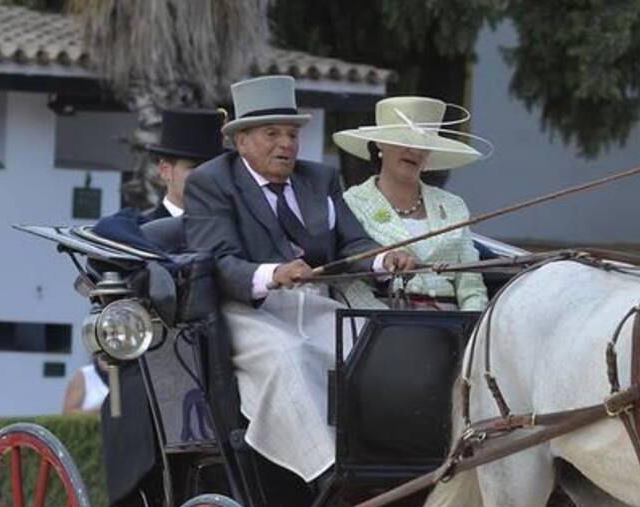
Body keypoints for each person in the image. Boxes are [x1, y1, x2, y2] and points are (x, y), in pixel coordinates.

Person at [184, 75, 415, 484]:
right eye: (272, 133)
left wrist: (383, 259)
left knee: (377, 346)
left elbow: (352, 242)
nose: (286, 144)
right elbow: (217, 261)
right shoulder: (211, 182)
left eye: (292, 134)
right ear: (241, 141)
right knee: (289, 355)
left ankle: (398, 461)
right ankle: (329, 473)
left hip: (316, 305)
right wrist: (275, 273)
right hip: (246, 311)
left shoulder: (319, 179)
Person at [333, 96, 491, 311]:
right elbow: (347, 283)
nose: (415, 151)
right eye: (404, 141)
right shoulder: (351, 204)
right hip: (381, 326)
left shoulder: (453, 206)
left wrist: (471, 332)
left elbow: (471, 286)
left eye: (424, 144)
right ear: (380, 142)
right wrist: (389, 326)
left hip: (453, 328)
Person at [142, 109, 224, 221]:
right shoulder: (141, 232)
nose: (207, 176)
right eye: (195, 168)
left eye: (213, 167)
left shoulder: (234, 229)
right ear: (165, 170)